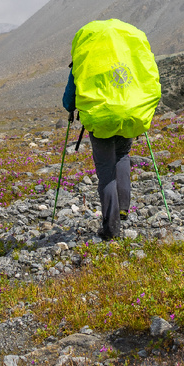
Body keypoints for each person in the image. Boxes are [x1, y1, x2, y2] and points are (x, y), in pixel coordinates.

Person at [63, 66, 131, 241]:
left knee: (105, 167)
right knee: (122, 154)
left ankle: (111, 228)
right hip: (127, 112)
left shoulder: (87, 54)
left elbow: (70, 97)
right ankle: (123, 207)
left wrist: (71, 106)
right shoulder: (125, 50)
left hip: (100, 119)